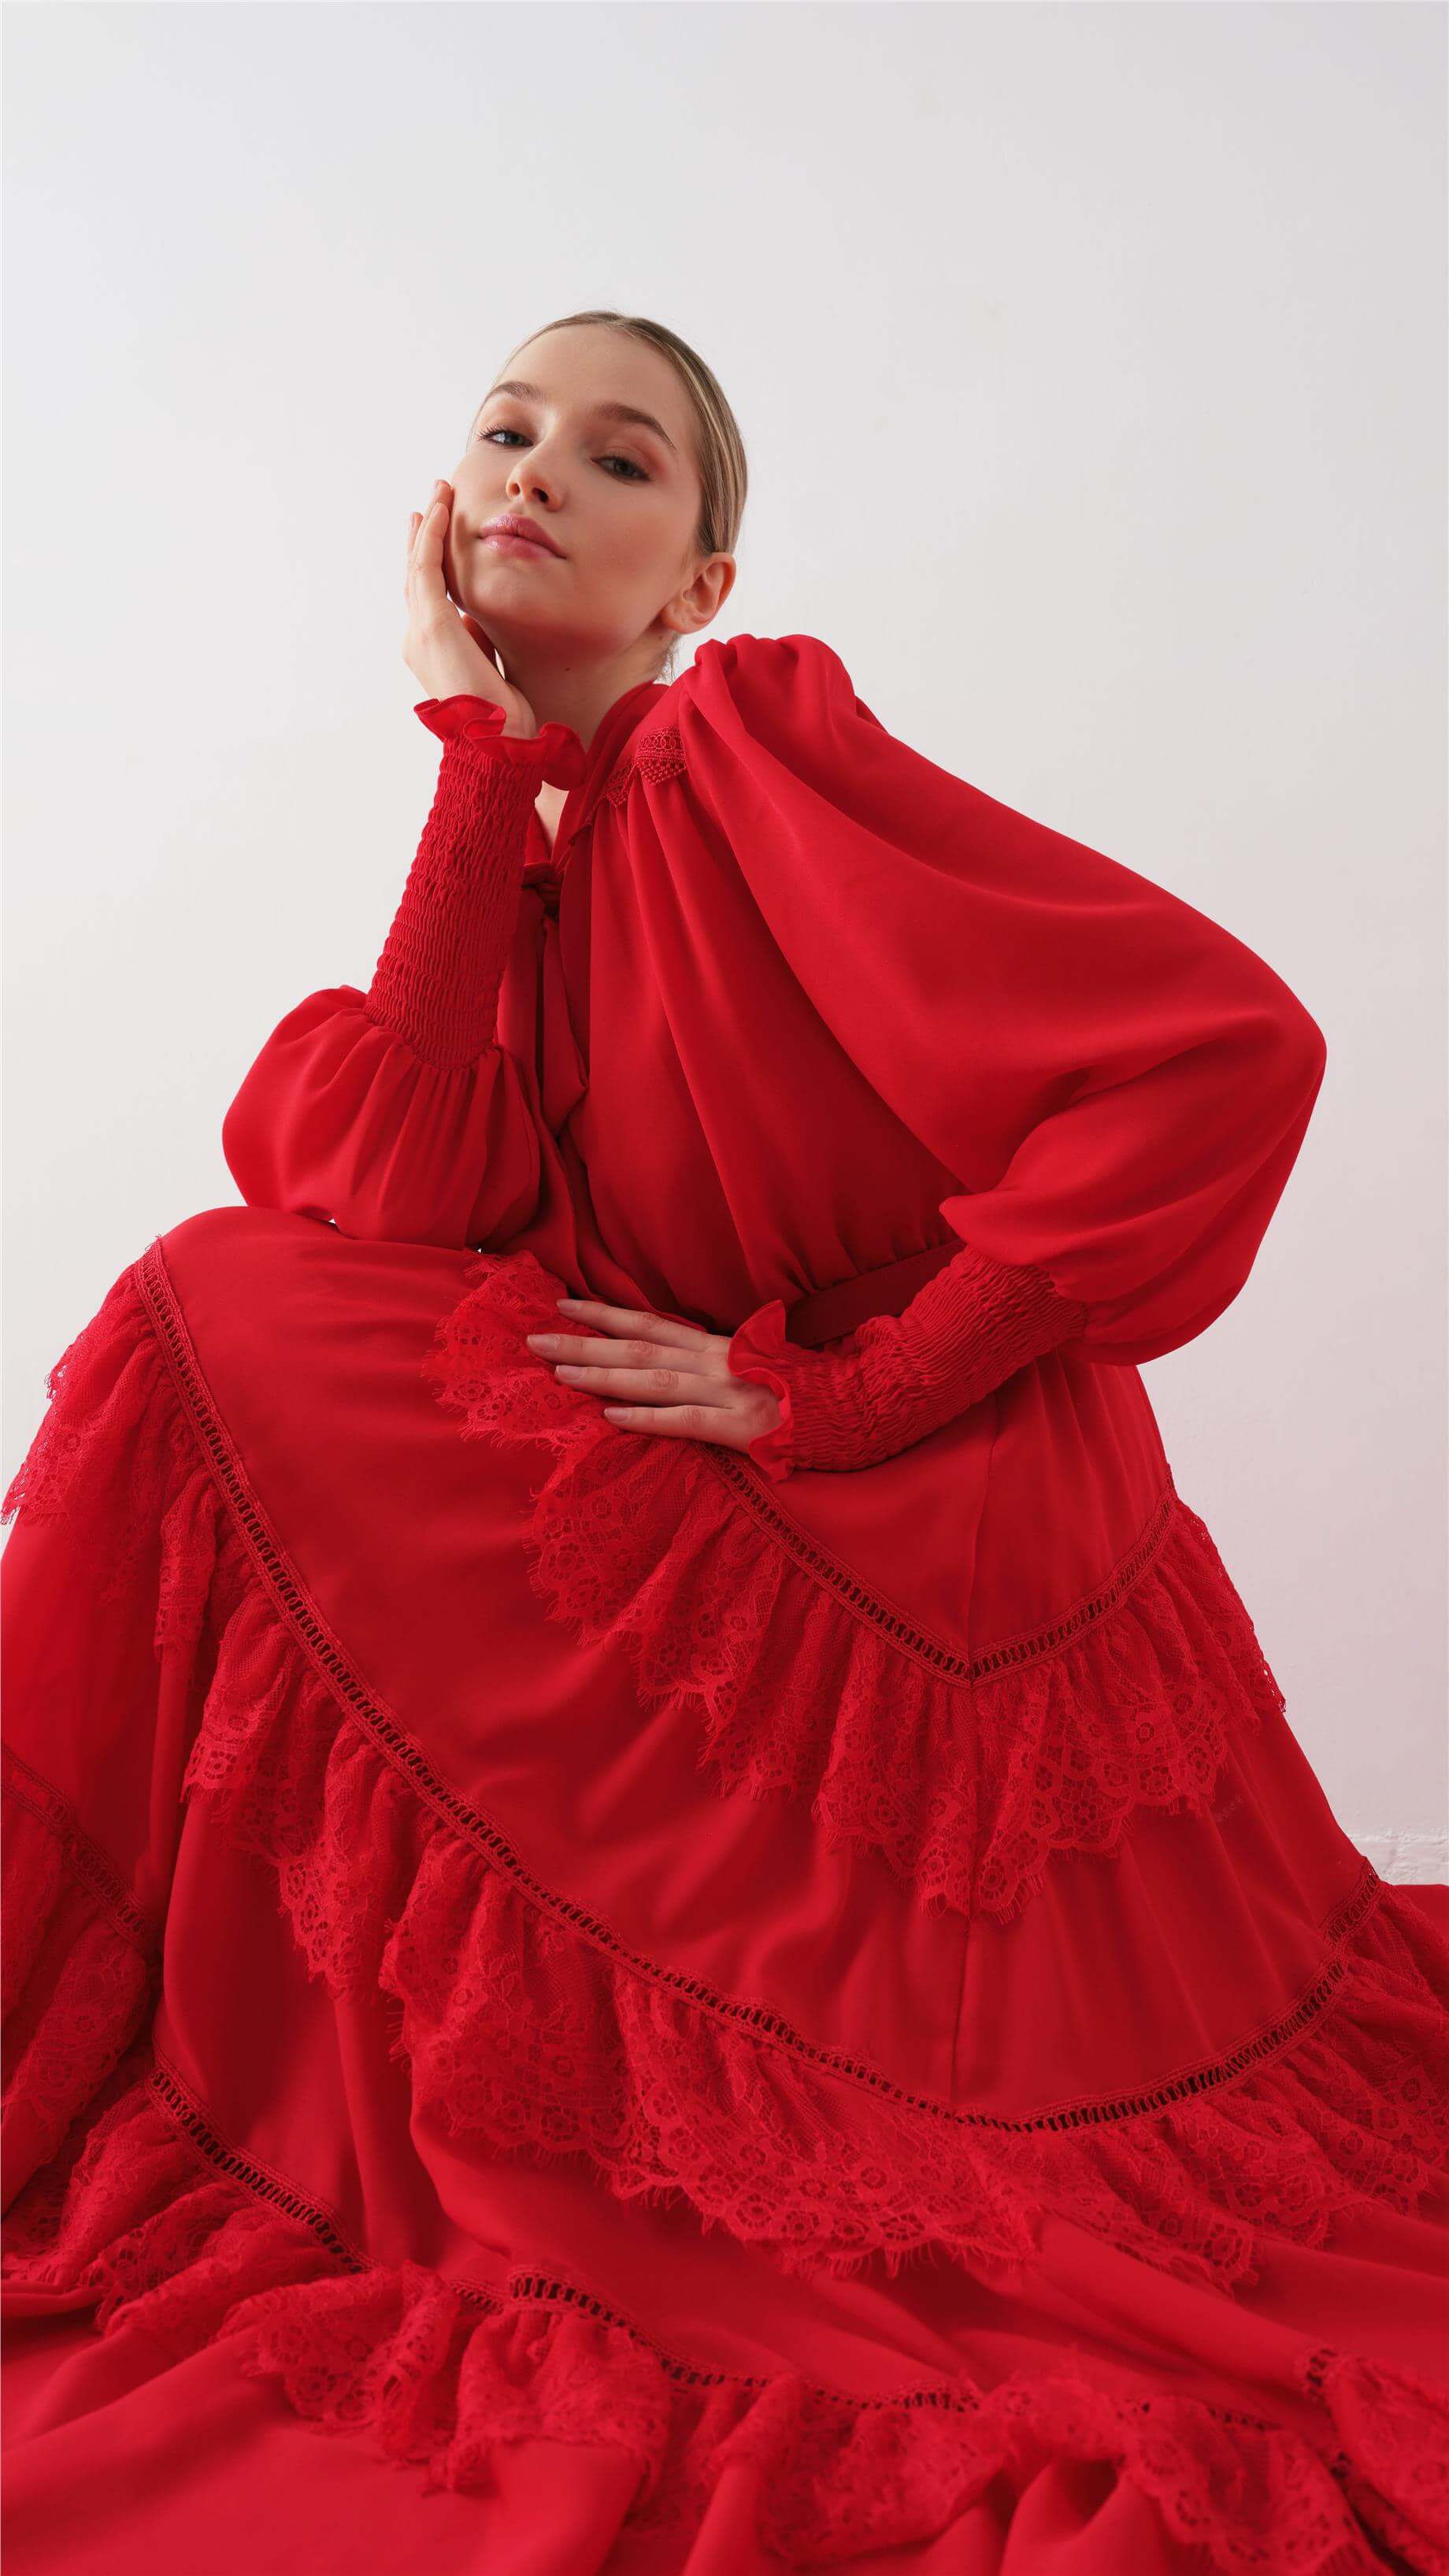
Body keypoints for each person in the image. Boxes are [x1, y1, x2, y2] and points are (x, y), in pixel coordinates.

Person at [2, 308, 1445, 2576]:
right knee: (230, 1301)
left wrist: (851, 1390)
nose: (537, 472)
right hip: (764, 1496)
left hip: (945, 1513)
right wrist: (474, 758)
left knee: (219, 1309)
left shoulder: (748, 744)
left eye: (621, 456)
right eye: (504, 431)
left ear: (700, 584)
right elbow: (394, 1193)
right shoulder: (531, 851)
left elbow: (1231, 1052)